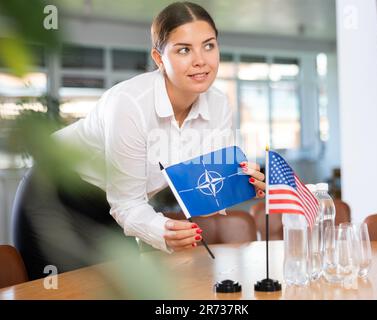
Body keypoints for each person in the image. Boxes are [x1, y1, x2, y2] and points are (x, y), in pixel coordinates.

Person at [12, 1, 266, 280]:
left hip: (113, 205)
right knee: (64, 293)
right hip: (56, 194)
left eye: (209, 45)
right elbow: (127, 204)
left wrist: (242, 182)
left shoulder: (218, 103)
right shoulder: (129, 103)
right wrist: (164, 232)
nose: (201, 60)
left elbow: (204, 180)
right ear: (159, 58)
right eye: (184, 49)